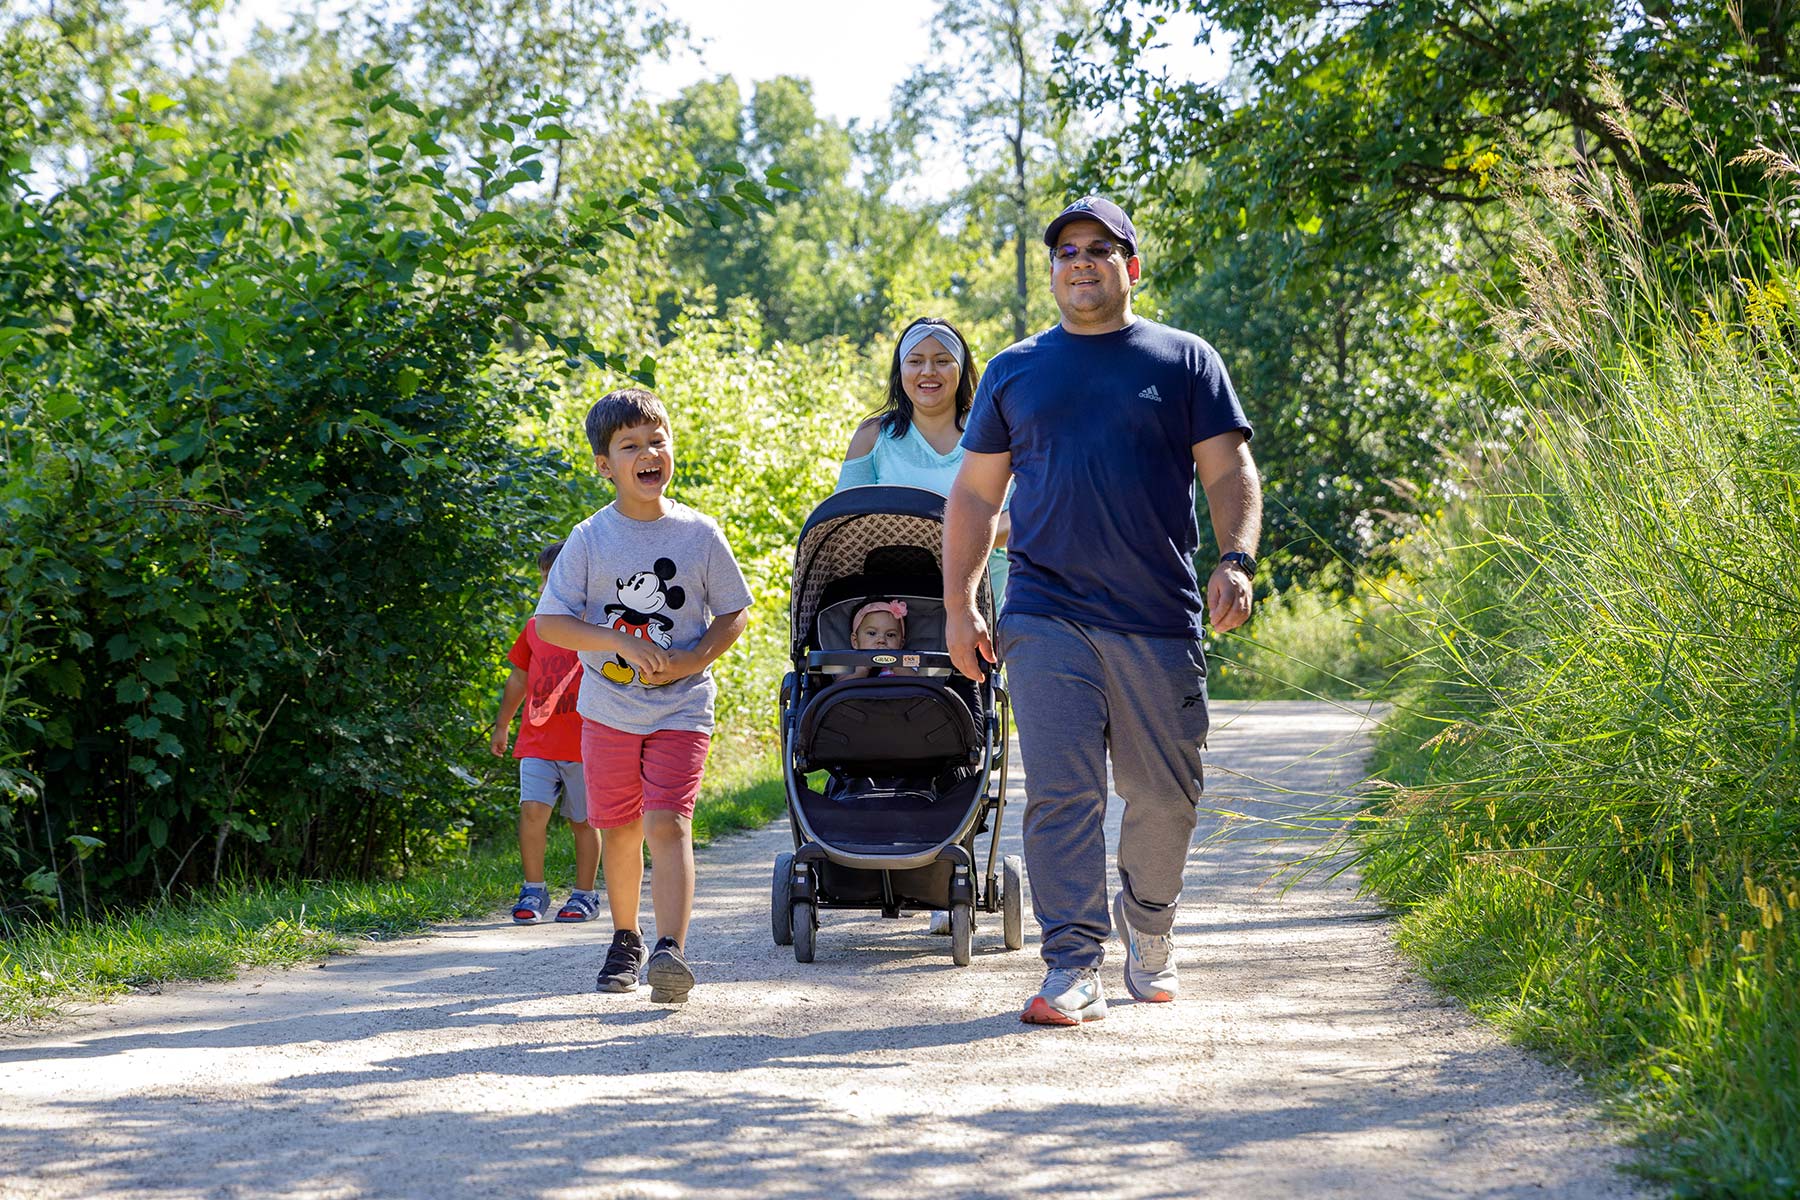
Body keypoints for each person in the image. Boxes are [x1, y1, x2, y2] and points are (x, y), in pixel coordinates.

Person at [943, 195, 1261, 1026]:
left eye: (1098, 248)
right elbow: (975, 498)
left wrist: (1235, 559)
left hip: (1158, 616)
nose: (1080, 261)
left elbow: (1229, 474)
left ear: (1131, 265)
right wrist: (959, 606)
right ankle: (1070, 961)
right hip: (1044, 611)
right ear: (1052, 271)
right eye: (1065, 252)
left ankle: (1149, 929)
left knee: (1165, 795)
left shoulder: (1184, 359)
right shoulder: (1017, 369)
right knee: (1061, 792)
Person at [535, 387, 753, 1004]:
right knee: (621, 829)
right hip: (607, 708)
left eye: (657, 440)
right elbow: (550, 622)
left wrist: (691, 658)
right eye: (630, 445)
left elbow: (733, 611)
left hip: (683, 704)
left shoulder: (698, 533)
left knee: (668, 823)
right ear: (605, 465)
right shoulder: (589, 539)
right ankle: (626, 938)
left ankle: (670, 951)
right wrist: (616, 642)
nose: (648, 453)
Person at [837, 315, 1010, 603]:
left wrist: (941, 537)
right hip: (899, 601)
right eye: (915, 361)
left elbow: (1019, 520)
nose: (928, 371)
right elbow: (846, 526)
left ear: (961, 368)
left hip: (985, 600)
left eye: (942, 361)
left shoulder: (994, 432)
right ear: (900, 370)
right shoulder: (872, 436)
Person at [491, 541, 603, 924]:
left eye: (556, 578)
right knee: (532, 811)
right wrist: (503, 724)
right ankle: (534, 889)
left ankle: (584, 895)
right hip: (538, 739)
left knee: (584, 822)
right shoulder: (536, 629)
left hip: (587, 744)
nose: (546, 586)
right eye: (543, 579)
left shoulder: (599, 630)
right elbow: (518, 678)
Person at [845, 599, 916, 679]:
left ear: (901, 644)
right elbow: (840, 686)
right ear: (855, 642)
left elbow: (921, 685)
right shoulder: (849, 663)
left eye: (890, 635)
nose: (881, 640)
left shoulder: (907, 663)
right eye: (872, 633)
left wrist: (896, 663)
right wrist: (864, 667)